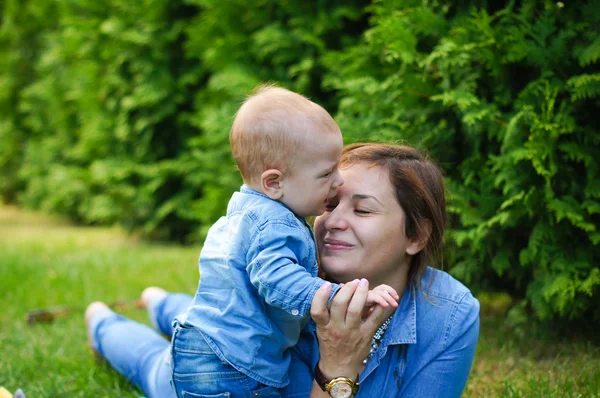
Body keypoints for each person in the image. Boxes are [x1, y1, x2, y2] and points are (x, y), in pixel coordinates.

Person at [86, 142, 480, 397]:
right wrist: (338, 367)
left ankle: (162, 302)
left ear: (416, 235)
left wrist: (339, 364)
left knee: (185, 314)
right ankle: (101, 322)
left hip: (227, 328)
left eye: (361, 210)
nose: (332, 222)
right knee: (153, 365)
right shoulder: (290, 289)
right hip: (217, 359)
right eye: (329, 205)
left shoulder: (450, 315)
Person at [86, 87, 398, 397]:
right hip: (226, 371)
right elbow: (275, 277)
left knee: (156, 361)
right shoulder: (274, 225)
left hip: (212, 342)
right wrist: (337, 297)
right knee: (150, 367)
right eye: (327, 173)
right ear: (274, 182)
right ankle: (104, 322)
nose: (339, 181)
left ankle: (154, 305)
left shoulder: (249, 208)